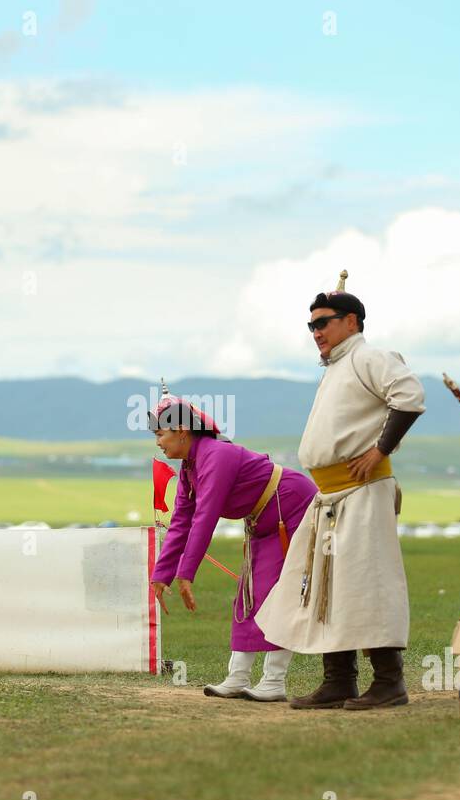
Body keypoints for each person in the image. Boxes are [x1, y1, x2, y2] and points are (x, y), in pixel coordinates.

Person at [255, 270, 426, 710]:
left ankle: (389, 681)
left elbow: (409, 395)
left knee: (368, 582)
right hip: (329, 496)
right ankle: (339, 680)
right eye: (311, 325)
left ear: (351, 322)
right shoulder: (337, 366)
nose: (315, 332)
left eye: (323, 322)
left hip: (362, 489)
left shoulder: (370, 357)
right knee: (329, 585)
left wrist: (379, 450)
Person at [149, 386, 318, 701]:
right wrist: (162, 575)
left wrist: (187, 573)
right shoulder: (188, 471)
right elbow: (181, 523)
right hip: (263, 523)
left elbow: (206, 516)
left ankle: (274, 681)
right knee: (248, 596)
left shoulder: (216, 455)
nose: (158, 442)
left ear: (182, 430)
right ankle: (238, 677)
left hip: (293, 507)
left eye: (161, 433)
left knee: (278, 595)